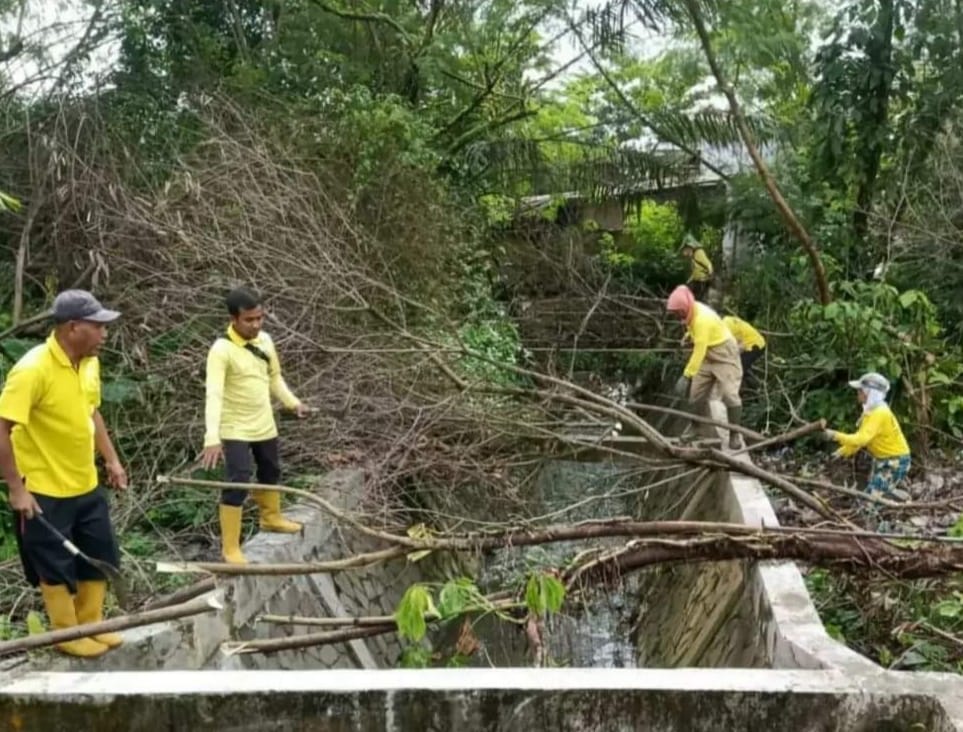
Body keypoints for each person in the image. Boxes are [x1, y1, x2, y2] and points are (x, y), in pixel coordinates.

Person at [0, 290, 127, 658]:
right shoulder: (32, 369)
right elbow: (2, 428)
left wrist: (112, 460)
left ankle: (91, 624)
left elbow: (92, 413)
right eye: (98, 326)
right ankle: (65, 633)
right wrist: (15, 489)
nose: (105, 334)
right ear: (73, 328)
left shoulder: (88, 363)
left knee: (101, 552)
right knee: (54, 562)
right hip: (42, 487)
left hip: (84, 481)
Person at [201, 286, 309, 564]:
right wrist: (211, 437)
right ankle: (230, 547)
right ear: (234, 319)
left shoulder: (265, 342)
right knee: (238, 480)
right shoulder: (221, 350)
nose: (256, 324)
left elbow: (274, 377)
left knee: (270, 470)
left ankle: (271, 517)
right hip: (234, 426)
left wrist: (292, 403)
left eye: (260, 318)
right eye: (249, 320)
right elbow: (214, 393)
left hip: (263, 422)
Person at [666, 285, 744, 449]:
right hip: (708, 354)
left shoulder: (702, 319)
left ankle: (735, 435)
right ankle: (695, 429)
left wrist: (687, 375)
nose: (678, 316)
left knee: (730, 395)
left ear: (684, 307)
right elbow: (695, 334)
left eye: (678, 312)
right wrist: (688, 335)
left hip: (724, 354)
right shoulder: (692, 311)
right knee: (696, 393)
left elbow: (699, 350)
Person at [824, 372, 911, 497]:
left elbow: (861, 440)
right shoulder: (871, 411)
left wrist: (834, 435)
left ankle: (894, 503)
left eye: (860, 391)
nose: (858, 393)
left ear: (870, 393)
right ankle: (899, 498)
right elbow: (861, 439)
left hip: (895, 461)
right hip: (883, 459)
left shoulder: (880, 413)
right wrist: (842, 452)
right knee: (877, 490)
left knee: (872, 498)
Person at [721, 314, 766, 390]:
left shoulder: (725, 329)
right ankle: (755, 386)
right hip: (755, 342)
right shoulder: (726, 321)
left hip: (754, 345)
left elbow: (741, 346)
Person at [680, 234, 714, 301]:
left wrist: (710, 273)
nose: (685, 253)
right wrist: (689, 280)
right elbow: (695, 271)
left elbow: (708, 264)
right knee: (692, 296)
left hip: (703, 280)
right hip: (697, 280)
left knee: (699, 299)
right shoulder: (693, 257)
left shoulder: (699, 253)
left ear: (689, 248)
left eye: (685, 250)